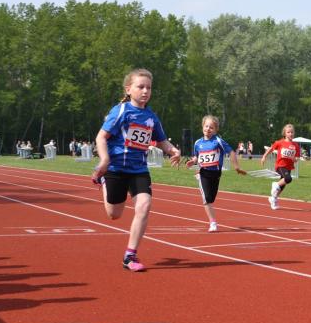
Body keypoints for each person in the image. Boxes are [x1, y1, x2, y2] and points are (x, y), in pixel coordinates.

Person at [91, 68, 181, 272]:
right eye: (140, 87)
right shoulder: (120, 111)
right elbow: (101, 137)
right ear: (128, 89)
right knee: (114, 214)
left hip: (139, 169)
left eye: (149, 88)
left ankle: (130, 255)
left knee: (144, 205)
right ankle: (104, 180)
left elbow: (161, 140)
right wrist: (104, 160)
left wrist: (173, 150)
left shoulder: (151, 117)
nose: (145, 91)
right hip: (116, 168)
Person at [185, 115, 246, 232]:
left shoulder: (218, 141)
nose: (208, 129)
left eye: (211, 127)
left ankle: (212, 217)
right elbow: (197, 156)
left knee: (211, 198)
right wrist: (193, 161)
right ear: (202, 127)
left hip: (216, 174)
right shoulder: (198, 143)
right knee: (207, 199)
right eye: (206, 126)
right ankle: (213, 223)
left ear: (216, 130)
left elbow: (231, 152)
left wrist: (237, 167)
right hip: (203, 173)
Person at [260, 123, 301, 210]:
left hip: (289, 166)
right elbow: (271, 149)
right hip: (280, 165)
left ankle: (273, 199)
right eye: (288, 132)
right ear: (285, 133)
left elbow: (297, 158)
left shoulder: (296, 145)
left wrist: (294, 159)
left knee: (283, 185)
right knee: (288, 179)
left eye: (292, 132)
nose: (290, 134)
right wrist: (264, 156)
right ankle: (275, 184)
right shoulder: (280, 142)